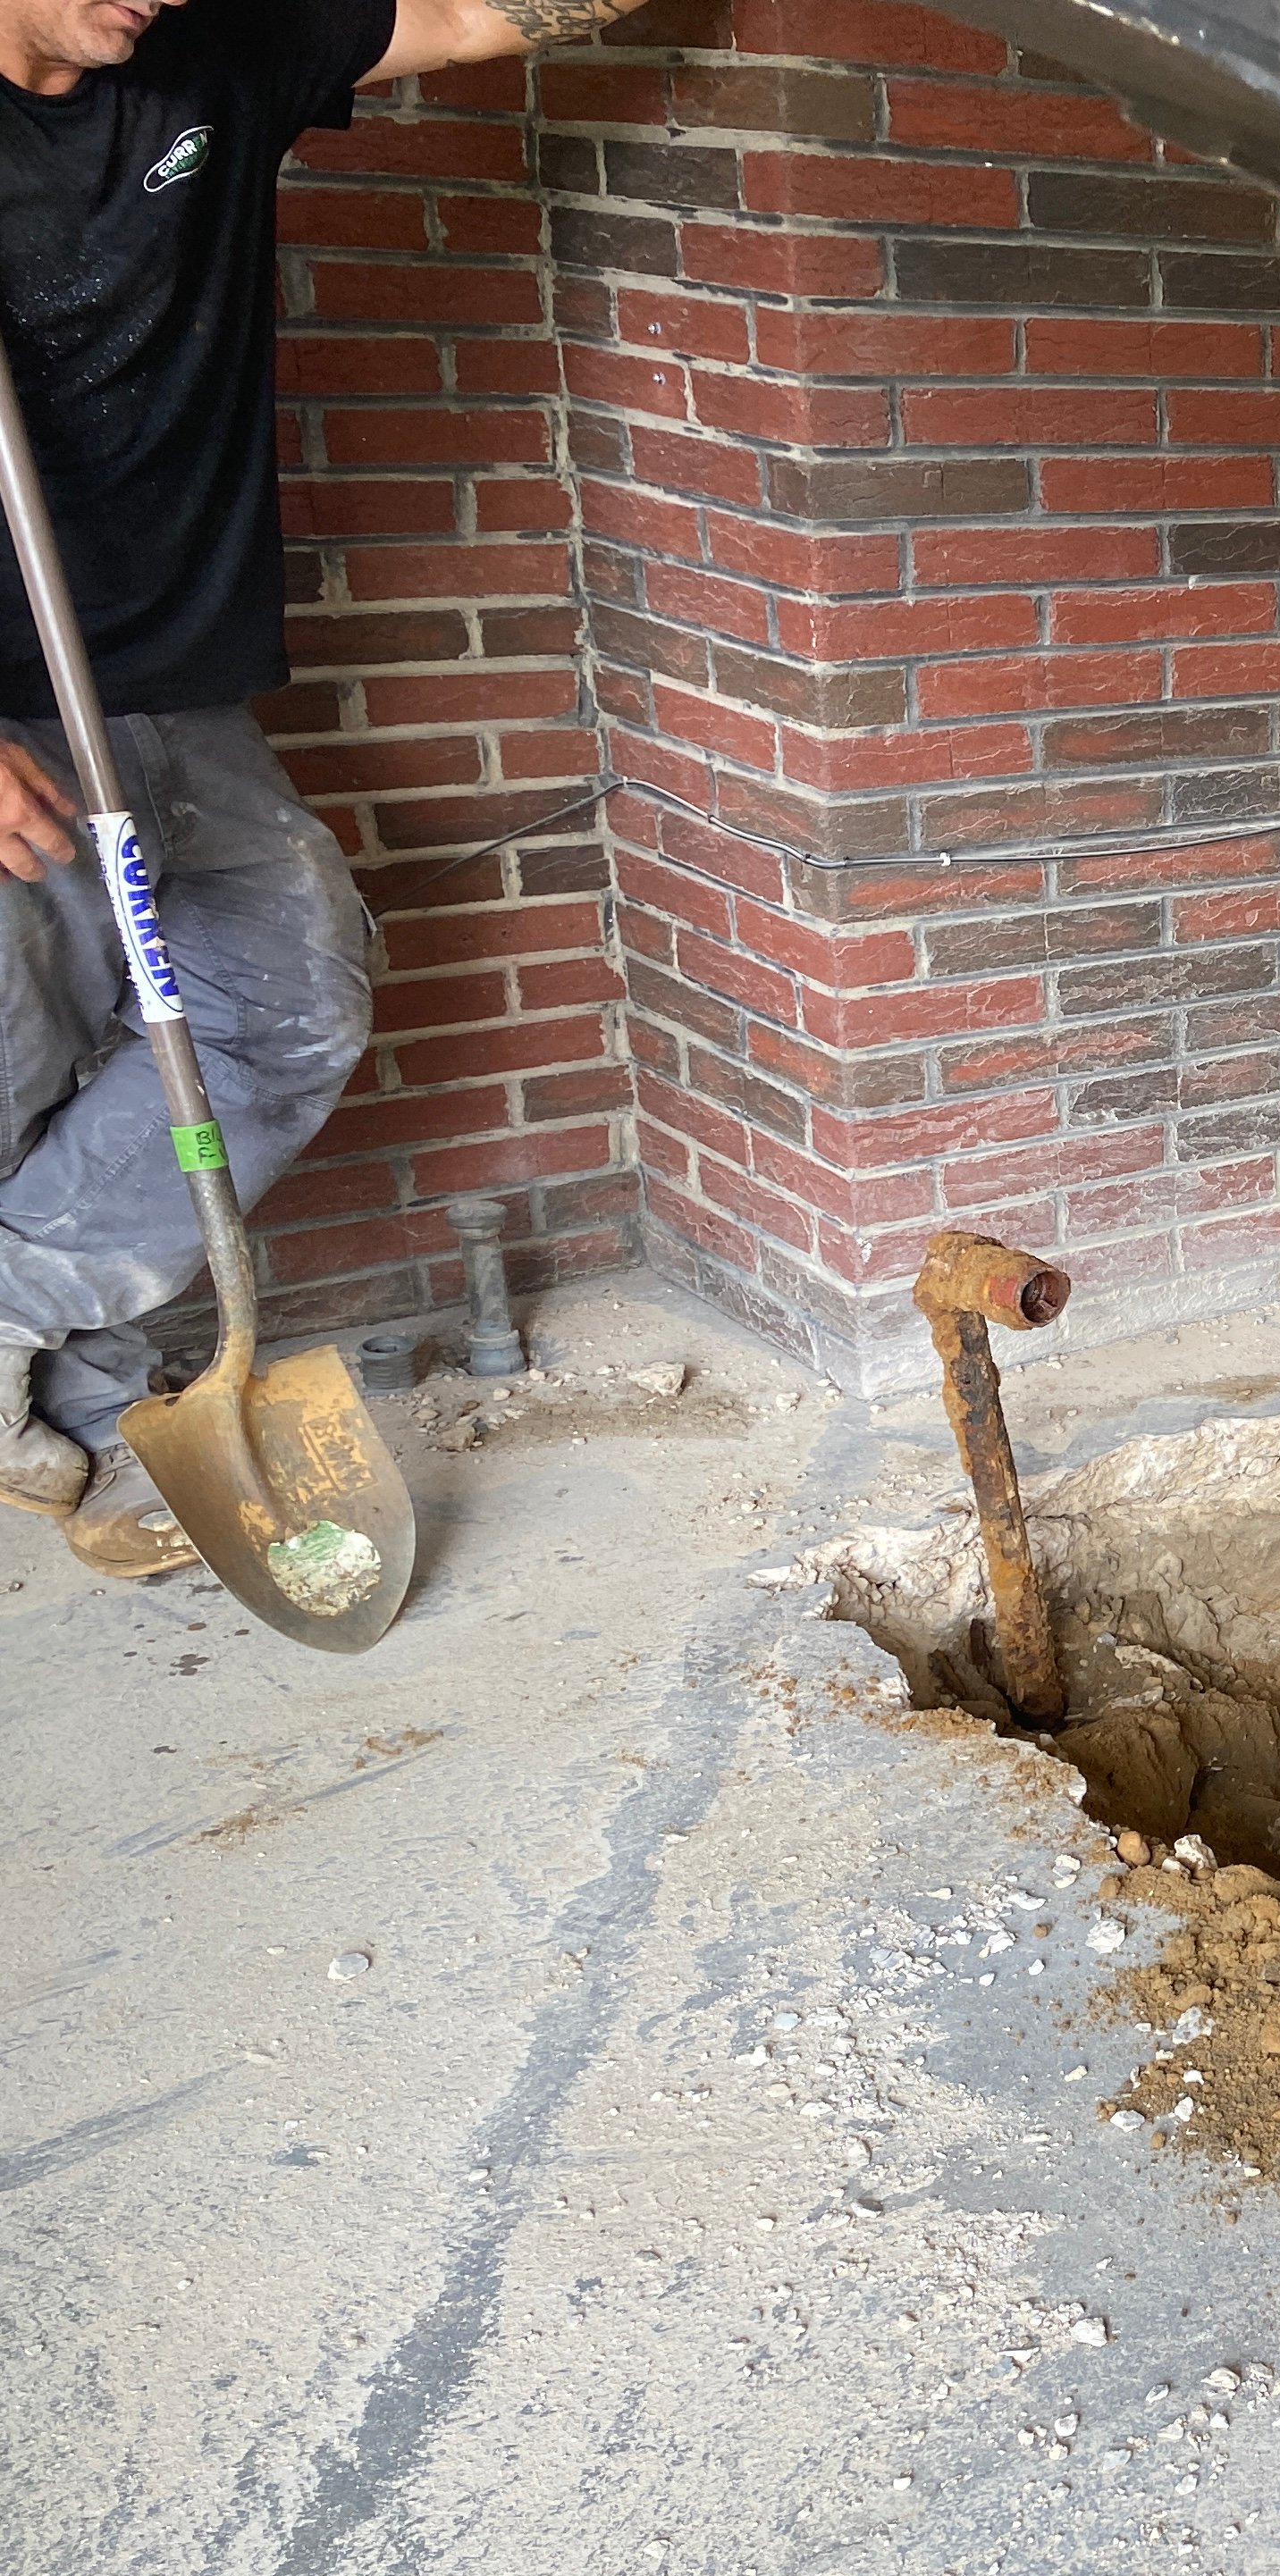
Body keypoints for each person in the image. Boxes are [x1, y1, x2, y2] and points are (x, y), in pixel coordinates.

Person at [0, 0, 631, 1577]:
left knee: (282, 1005)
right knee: (12, 1070)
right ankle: (69, 1411)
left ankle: (24, 1343)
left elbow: (494, 13)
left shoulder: (217, 58)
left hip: (167, 695)